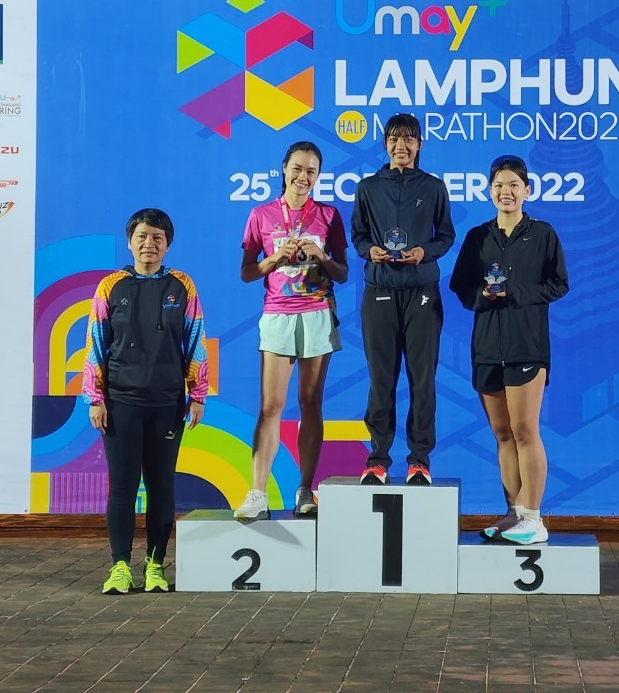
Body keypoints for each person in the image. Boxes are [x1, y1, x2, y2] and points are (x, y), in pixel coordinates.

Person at [82, 208, 209, 593]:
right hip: (120, 402)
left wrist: (197, 395)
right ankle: (120, 566)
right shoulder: (110, 287)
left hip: (167, 402)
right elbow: (95, 343)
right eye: (141, 236)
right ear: (129, 242)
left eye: (157, 237)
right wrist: (95, 398)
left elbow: (196, 341)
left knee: (161, 486)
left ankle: (155, 565)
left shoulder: (182, 286)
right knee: (122, 486)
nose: (148, 244)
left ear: (167, 244)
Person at [449, 155, 568, 544]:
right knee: (502, 434)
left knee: (525, 431)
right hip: (487, 348)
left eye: (514, 185)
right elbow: (461, 287)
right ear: (489, 191)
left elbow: (559, 284)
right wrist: (482, 296)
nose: (506, 191)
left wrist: (514, 291)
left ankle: (534, 517)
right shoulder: (477, 237)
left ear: (527, 190)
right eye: (499, 185)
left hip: (526, 346)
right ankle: (515, 513)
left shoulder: (543, 234)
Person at [234, 141, 349, 520]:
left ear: (318, 176)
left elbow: (342, 274)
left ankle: (304, 489)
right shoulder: (261, 215)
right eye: (297, 168)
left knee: (311, 403)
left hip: (318, 314)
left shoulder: (329, 215)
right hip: (278, 315)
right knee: (271, 406)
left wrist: (322, 257)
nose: (303, 177)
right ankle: (257, 493)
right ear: (284, 169)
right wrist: (273, 259)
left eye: (311, 171)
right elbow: (247, 272)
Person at [351, 113, 456, 485]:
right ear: (385, 144)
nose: (402, 146)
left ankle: (420, 460)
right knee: (381, 380)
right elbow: (358, 236)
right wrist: (370, 251)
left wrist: (424, 253)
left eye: (409, 139)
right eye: (395, 139)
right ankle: (378, 459)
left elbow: (446, 236)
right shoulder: (367, 187)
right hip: (379, 291)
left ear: (419, 144)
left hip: (422, 293)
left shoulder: (434, 187)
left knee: (422, 380)